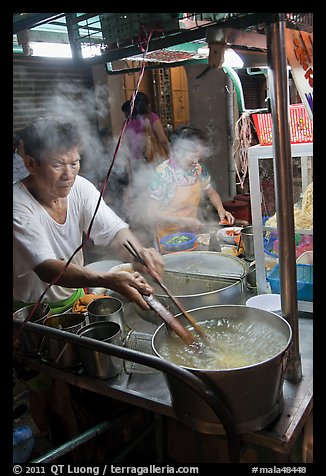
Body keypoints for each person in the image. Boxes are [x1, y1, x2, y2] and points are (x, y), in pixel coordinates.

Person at [13, 117, 164, 452]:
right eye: (57, 164)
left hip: (74, 301)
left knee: (73, 382)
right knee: (45, 389)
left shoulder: (79, 188)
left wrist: (140, 251)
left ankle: (84, 433)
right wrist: (106, 278)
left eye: (75, 161)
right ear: (30, 163)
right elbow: (47, 268)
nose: (69, 173)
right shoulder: (18, 205)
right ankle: (54, 442)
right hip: (29, 314)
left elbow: (112, 230)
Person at [147, 126, 235, 248]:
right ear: (177, 151)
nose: (196, 160)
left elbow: (211, 192)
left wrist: (221, 210)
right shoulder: (162, 174)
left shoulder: (197, 169)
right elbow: (151, 213)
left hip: (191, 234)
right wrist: (182, 221)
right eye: (192, 156)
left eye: (198, 156)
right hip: (167, 238)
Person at [121, 93, 170, 246]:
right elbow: (162, 139)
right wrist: (172, 157)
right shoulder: (152, 117)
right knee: (159, 197)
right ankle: (158, 231)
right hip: (154, 164)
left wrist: (128, 169)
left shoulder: (127, 122)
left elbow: (125, 147)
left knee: (143, 198)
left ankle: (146, 232)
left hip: (136, 166)